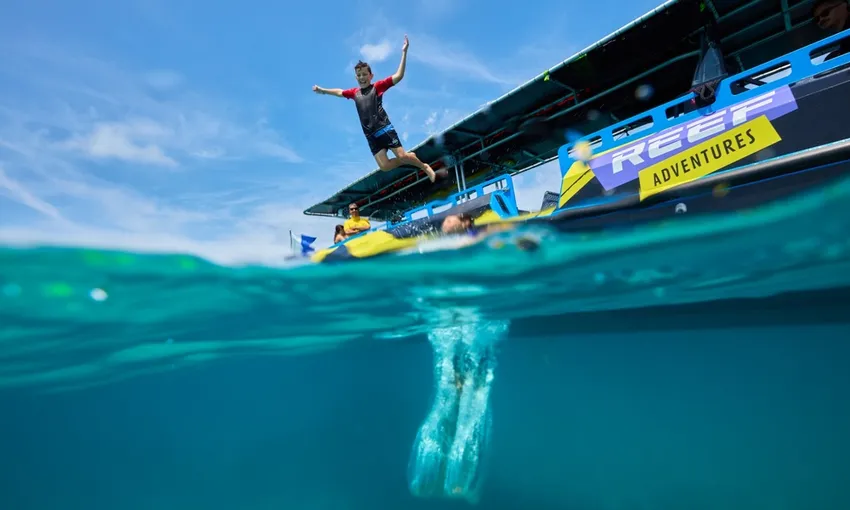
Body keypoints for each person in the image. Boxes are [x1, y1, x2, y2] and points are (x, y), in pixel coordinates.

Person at [313, 35, 440, 182]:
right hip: (370, 135)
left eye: (365, 74)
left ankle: (424, 167)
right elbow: (339, 92)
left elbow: (399, 76)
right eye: (359, 75)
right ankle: (409, 157)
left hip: (383, 128)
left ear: (371, 75)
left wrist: (404, 52)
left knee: (402, 156)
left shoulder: (377, 87)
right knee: (385, 166)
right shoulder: (354, 93)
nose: (362, 77)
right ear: (356, 77)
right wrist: (323, 90)